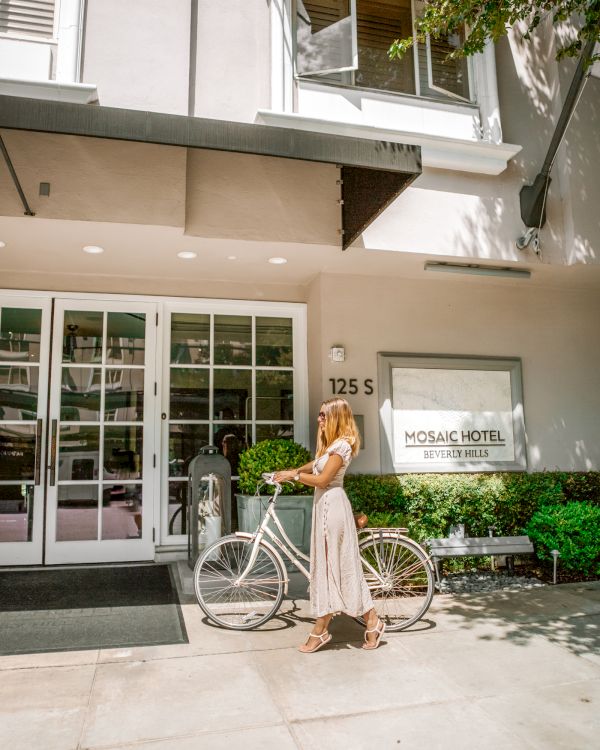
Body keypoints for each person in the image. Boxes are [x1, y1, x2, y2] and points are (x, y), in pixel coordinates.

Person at [275, 397, 385, 653]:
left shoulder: (343, 445)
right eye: (319, 415)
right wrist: (291, 470)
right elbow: (315, 465)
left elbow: (323, 479)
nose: (319, 419)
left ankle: (321, 629)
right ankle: (371, 621)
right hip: (324, 508)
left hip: (333, 508)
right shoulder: (331, 446)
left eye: (324, 415)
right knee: (336, 566)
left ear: (336, 416)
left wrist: (295, 476)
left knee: (334, 567)